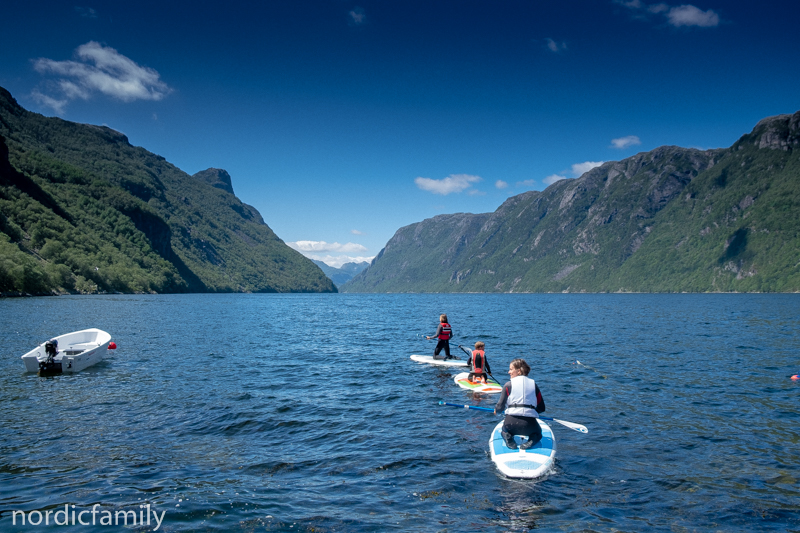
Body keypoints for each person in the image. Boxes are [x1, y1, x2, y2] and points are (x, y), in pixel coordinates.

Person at [494, 358, 546, 450]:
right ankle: (532, 439)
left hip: (511, 424)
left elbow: (500, 407)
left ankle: (508, 437)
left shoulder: (508, 385)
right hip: (529, 425)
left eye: (511, 369)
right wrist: (531, 411)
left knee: (504, 430)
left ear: (518, 371)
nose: (508, 372)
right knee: (538, 433)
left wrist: (497, 411)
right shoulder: (534, 385)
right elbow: (542, 408)